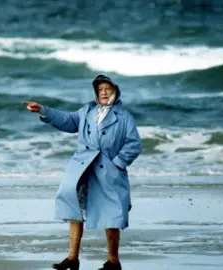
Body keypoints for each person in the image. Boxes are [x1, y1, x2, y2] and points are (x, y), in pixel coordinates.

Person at [22, 74, 142, 270]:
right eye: (100, 89)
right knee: (74, 209)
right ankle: (72, 258)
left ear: (115, 91)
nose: (103, 92)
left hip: (108, 171)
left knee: (111, 213)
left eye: (107, 89)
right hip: (83, 168)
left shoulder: (124, 116)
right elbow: (68, 121)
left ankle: (113, 262)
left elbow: (134, 144)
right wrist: (43, 110)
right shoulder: (87, 110)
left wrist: (117, 163)